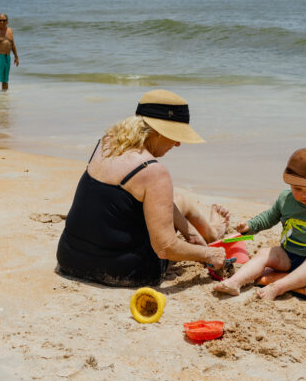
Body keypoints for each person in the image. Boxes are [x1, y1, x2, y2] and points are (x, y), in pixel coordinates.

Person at [56, 89, 230, 287]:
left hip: (69, 258)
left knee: (161, 200)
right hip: (123, 271)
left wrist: (187, 231)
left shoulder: (106, 142)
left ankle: (199, 235)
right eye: (175, 135)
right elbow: (165, 248)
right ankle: (212, 235)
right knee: (180, 200)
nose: (178, 143)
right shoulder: (153, 171)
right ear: (156, 131)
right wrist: (208, 254)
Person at [212, 148, 306, 301]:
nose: (305, 194)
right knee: (265, 253)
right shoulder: (285, 199)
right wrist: (250, 226)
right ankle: (234, 282)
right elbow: (269, 217)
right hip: (289, 256)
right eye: (298, 188)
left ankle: (278, 287)